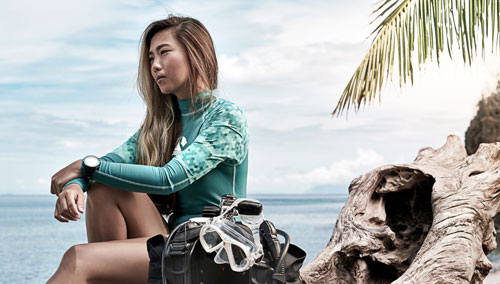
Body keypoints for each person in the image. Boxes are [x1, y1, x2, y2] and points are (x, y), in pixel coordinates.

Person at [47, 15, 249, 284]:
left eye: (164, 53)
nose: (155, 65)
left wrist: (86, 166)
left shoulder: (225, 117)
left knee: (78, 258)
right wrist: (76, 185)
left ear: (195, 53)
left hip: (213, 254)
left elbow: (169, 178)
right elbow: (109, 164)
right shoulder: (161, 126)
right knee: (106, 184)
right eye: (151, 57)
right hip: (174, 241)